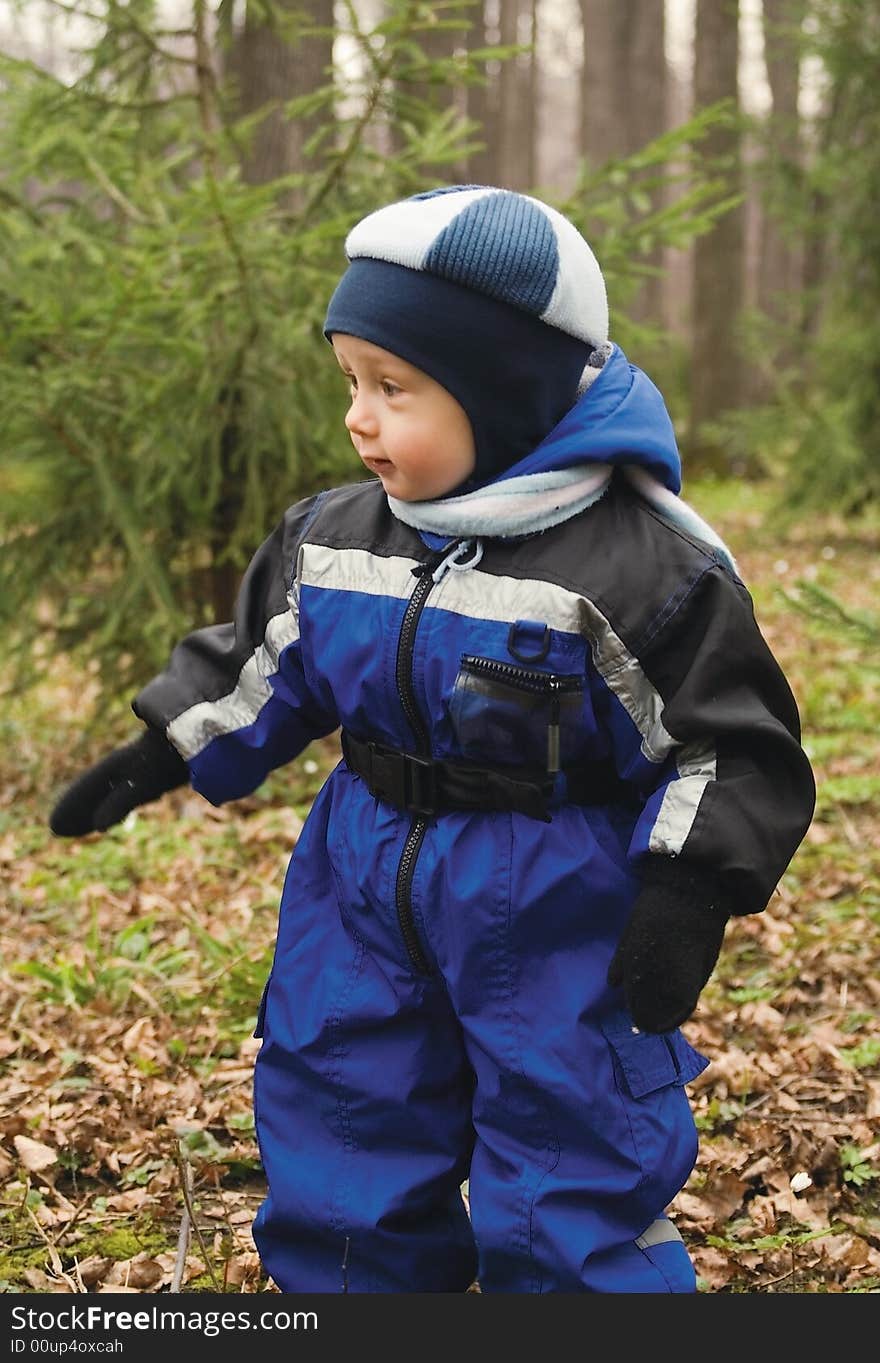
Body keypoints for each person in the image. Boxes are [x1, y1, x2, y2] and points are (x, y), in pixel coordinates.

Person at [49, 184, 816, 1294]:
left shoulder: (634, 567)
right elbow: (262, 658)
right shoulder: (336, 535)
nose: (358, 416)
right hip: (358, 890)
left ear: (503, 395)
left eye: (393, 387)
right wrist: (163, 746)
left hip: (554, 909)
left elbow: (727, 745)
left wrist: (686, 890)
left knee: (569, 1156)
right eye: (350, 381)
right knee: (342, 1122)